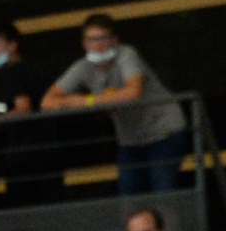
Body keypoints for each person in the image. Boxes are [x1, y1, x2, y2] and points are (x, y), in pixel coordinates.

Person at [40, 14, 189, 195]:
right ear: (84, 43)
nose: (99, 45)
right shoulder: (82, 67)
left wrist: (87, 101)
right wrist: (72, 102)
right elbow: (47, 101)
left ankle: (168, 223)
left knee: (163, 193)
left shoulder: (127, 55)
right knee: (129, 198)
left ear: (114, 40)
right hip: (130, 139)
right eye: (93, 40)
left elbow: (134, 91)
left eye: (104, 38)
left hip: (164, 132)